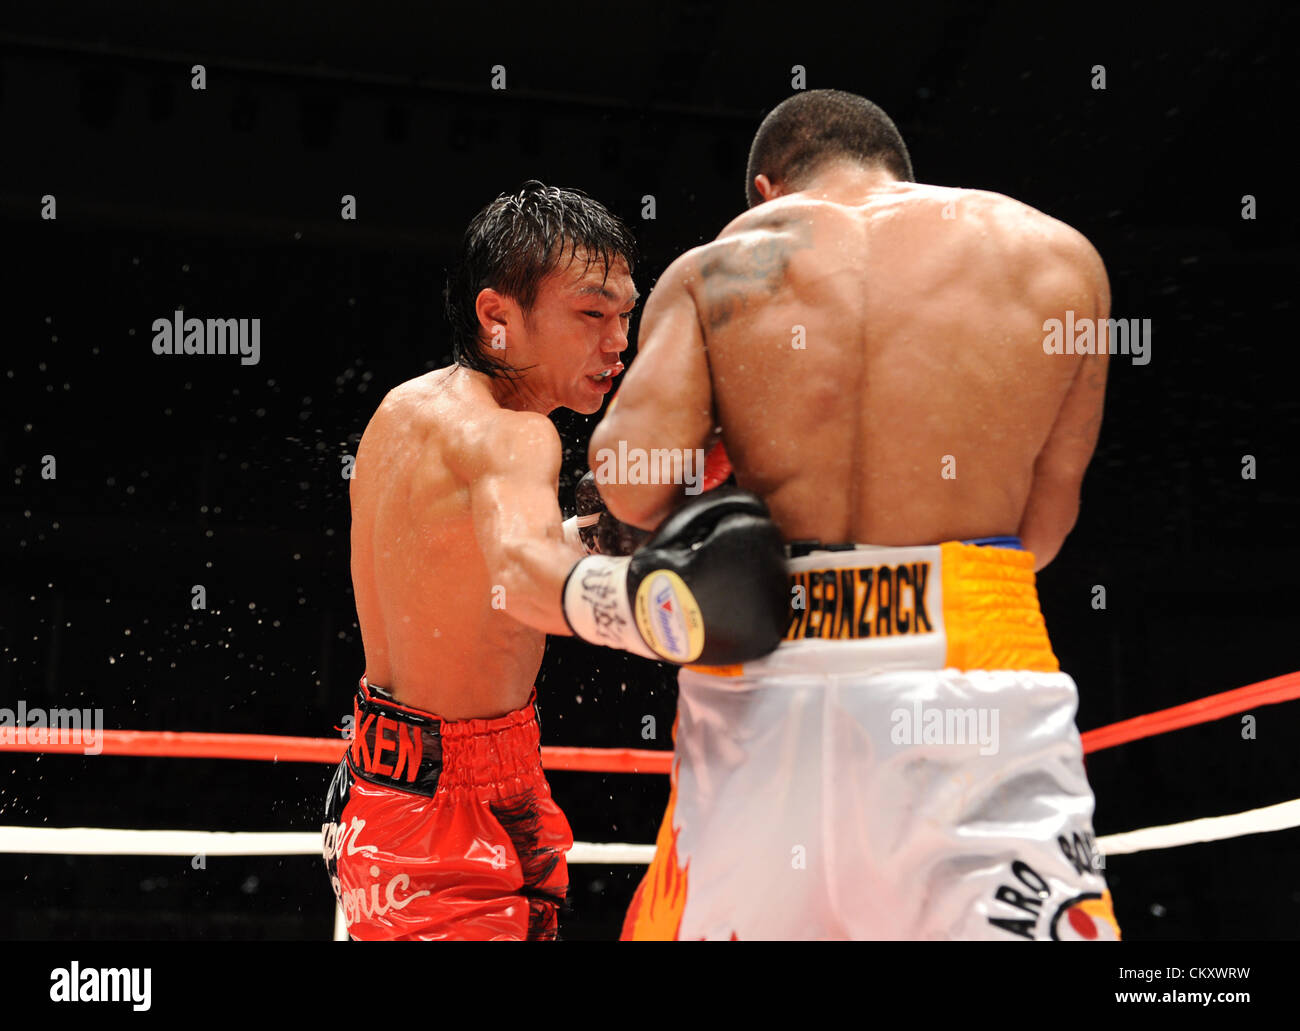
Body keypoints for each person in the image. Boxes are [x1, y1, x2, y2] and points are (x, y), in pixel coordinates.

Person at [593, 90, 1120, 940]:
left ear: (767, 189)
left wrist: (729, 457)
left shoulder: (718, 267)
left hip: (764, 678)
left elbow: (628, 484)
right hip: (969, 672)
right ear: (898, 169)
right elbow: (1045, 531)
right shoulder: (1060, 258)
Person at [321, 181, 787, 940]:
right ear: (498, 315)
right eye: (591, 313)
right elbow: (521, 578)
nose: (619, 342)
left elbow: (484, 562)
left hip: (389, 785)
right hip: (449, 811)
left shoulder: (407, 411)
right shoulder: (515, 438)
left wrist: (607, 533)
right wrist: (663, 610)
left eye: (626, 314)